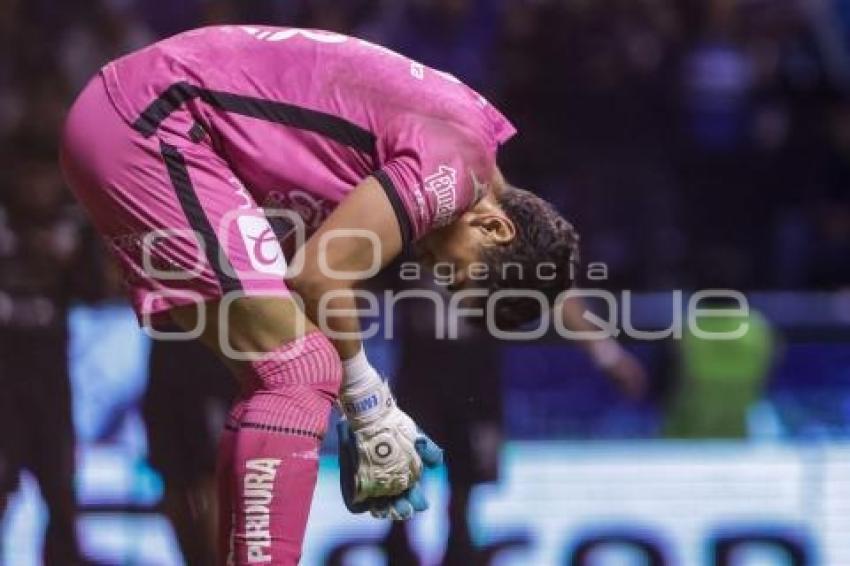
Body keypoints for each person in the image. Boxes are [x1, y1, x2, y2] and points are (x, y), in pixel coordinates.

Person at [60, 25, 579, 565]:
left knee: (277, 379)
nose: (436, 272)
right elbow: (318, 276)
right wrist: (370, 407)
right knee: (302, 369)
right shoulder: (453, 170)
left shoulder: (467, 138)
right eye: (458, 277)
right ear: (495, 228)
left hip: (141, 114)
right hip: (156, 121)